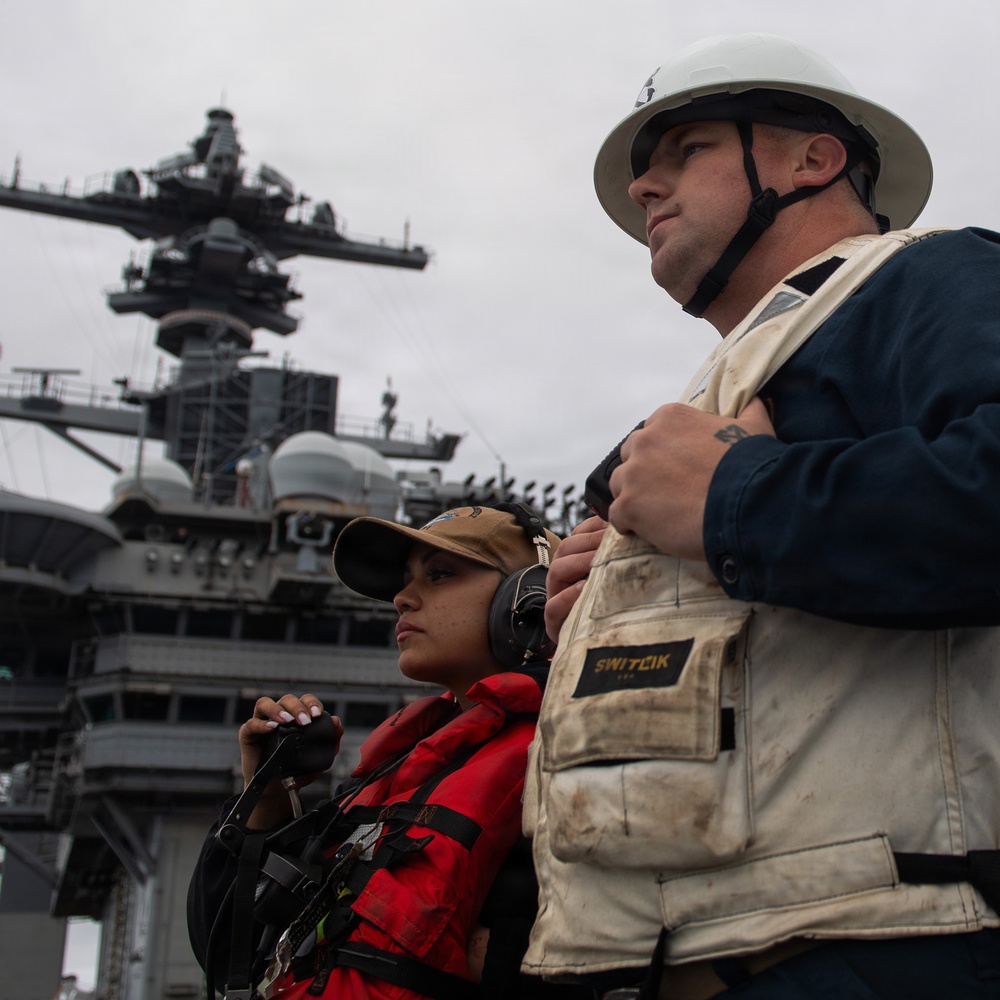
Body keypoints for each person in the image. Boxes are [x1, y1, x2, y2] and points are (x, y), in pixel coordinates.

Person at [522, 32, 1000, 1000]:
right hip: (697, 953)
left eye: (684, 150)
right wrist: (604, 608)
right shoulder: (738, 371)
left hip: (873, 948)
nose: (643, 189)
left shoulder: (927, 277)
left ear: (809, 159)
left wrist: (731, 498)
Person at [187, 503, 586, 999]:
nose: (402, 598)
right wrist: (262, 806)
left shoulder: (574, 750)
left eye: (439, 575)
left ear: (525, 600)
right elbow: (231, 963)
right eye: (405, 579)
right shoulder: (397, 772)